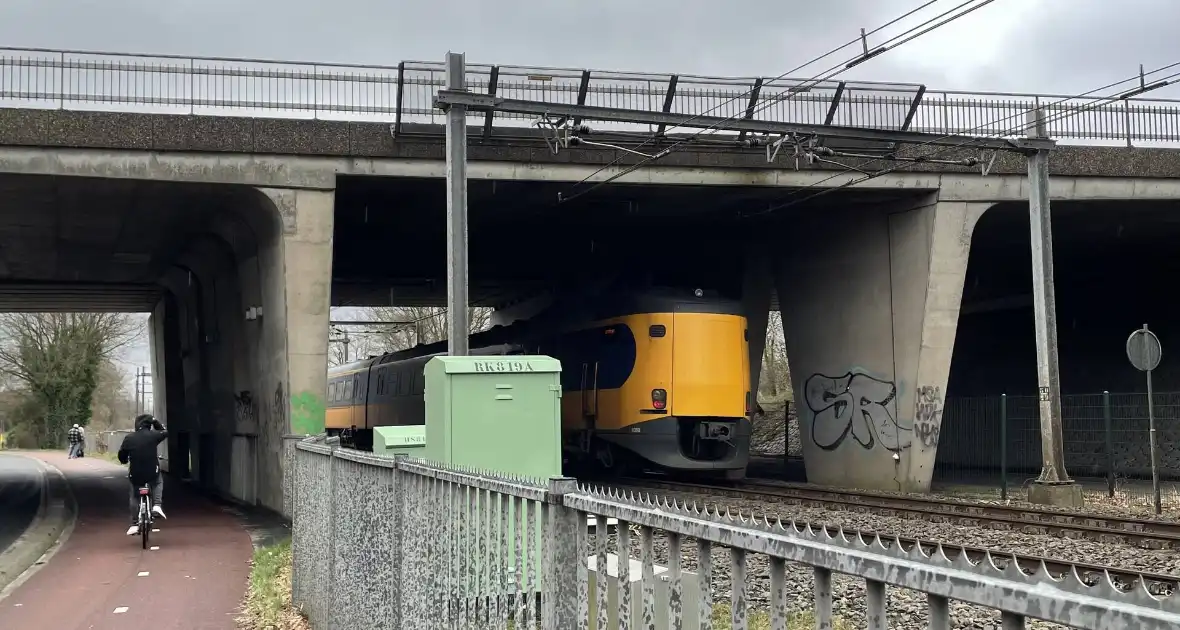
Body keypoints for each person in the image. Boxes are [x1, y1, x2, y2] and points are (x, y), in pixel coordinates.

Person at [117, 414, 168, 535]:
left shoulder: (129, 438)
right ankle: (157, 505)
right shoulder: (153, 435)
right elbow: (165, 432)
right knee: (158, 482)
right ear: (149, 425)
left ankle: (135, 523)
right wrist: (155, 422)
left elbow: (122, 455)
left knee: (134, 495)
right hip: (152, 472)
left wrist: (124, 460)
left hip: (135, 474)